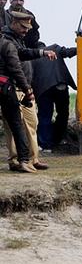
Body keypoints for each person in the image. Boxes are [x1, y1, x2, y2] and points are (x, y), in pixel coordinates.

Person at [1, 11, 56, 171]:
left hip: (24, 87)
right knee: (14, 125)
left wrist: (42, 52)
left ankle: (33, 158)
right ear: (14, 23)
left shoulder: (18, 39)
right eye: (23, 27)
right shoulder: (8, 41)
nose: (26, 30)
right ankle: (16, 160)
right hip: (13, 88)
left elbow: (24, 52)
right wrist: (26, 89)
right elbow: (17, 65)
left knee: (32, 123)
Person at [0, 25, 34, 172]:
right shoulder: (6, 45)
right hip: (5, 89)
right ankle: (24, 161)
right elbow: (16, 69)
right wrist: (27, 90)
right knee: (16, 125)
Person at [32, 42, 77, 151]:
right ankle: (58, 139)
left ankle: (45, 144)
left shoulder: (31, 57)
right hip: (59, 85)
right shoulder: (54, 48)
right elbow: (68, 52)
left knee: (44, 116)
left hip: (43, 90)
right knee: (63, 113)